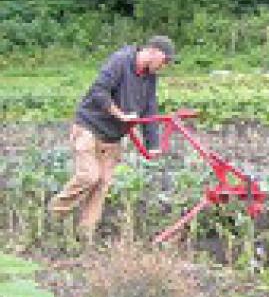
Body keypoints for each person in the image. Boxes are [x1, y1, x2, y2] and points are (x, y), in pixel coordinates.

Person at [49, 35, 175, 241]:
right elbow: (99, 92)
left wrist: (152, 145)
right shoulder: (120, 61)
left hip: (113, 137)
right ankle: (55, 213)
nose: (165, 65)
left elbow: (150, 110)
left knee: (102, 184)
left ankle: (85, 233)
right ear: (153, 51)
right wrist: (121, 115)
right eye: (165, 60)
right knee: (89, 176)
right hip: (89, 127)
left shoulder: (150, 77)